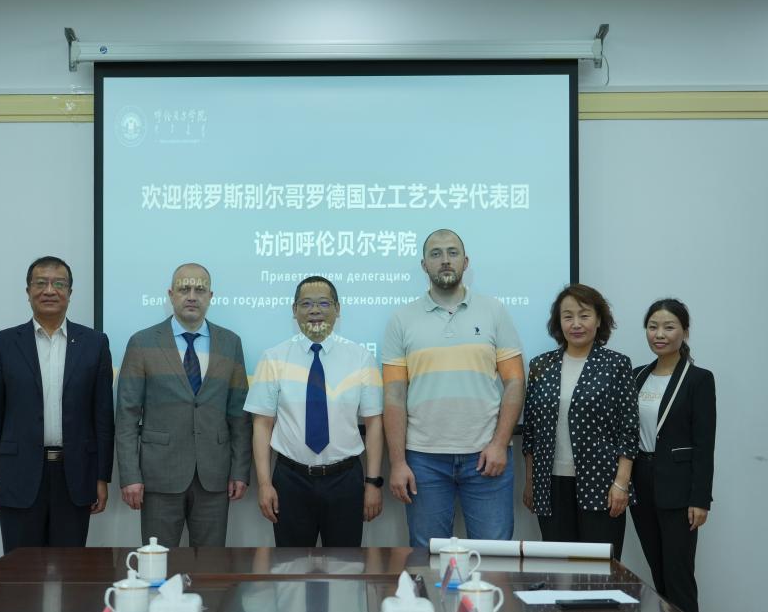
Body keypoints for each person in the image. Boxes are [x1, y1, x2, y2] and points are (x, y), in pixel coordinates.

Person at [383, 229, 525, 547]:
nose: (445, 260)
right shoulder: (401, 319)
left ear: (465, 261)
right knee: (428, 556)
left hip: (486, 456)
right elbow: (394, 396)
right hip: (423, 460)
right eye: (435, 254)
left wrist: (500, 443)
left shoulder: (494, 311)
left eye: (452, 252)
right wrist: (398, 462)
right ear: (424, 265)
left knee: (494, 557)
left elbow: (515, 382)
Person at [0, 256, 114, 553]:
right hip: (18, 476)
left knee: (70, 569)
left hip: (75, 476)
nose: (49, 290)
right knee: (20, 571)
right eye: (41, 283)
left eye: (59, 284)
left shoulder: (95, 343)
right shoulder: (2, 343)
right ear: (28, 291)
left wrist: (101, 476)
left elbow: (103, 417)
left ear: (70, 293)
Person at [115, 263, 251, 546]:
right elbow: (126, 416)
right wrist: (129, 475)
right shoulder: (142, 343)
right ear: (171, 294)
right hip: (159, 476)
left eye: (199, 290)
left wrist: (240, 470)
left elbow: (238, 415)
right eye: (184, 289)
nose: (192, 296)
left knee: (211, 565)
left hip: (214, 476)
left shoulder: (230, 343)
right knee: (157, 564)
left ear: (210, 296)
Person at [245, 276, 384, 546]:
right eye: (306, 304)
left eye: (324, 303)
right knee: (291, 565)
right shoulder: (274, 358)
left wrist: (372, 483)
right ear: (294, 310)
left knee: (345, 565)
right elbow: (262, 425)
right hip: (290, 480)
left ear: (338, 309)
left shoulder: (360, 358)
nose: (315, 310)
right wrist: (264, 484)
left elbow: (374, 423)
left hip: (345, 480)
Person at [521, 283, 638, 558]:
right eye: (568, 316)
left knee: (600, 569)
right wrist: (530, 481)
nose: (576, 324)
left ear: (598, 320)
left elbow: (629, 430)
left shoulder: (616, 365)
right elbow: (531, 432)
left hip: (602, 483)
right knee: (559, 568)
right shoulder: (541, 366)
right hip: (550, 485)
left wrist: (621, 483)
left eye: (584, 315)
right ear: (558, 322)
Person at [630, 298, 716, 612]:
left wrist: (700, 499)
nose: (659, 334)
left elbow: (704, 444)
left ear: (685, 332)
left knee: (679, 576)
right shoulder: (637, 376)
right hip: (641, 484)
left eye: (669, 327)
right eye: (653, 327)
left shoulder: (698, 379)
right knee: (658, 573)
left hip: (679, 490)